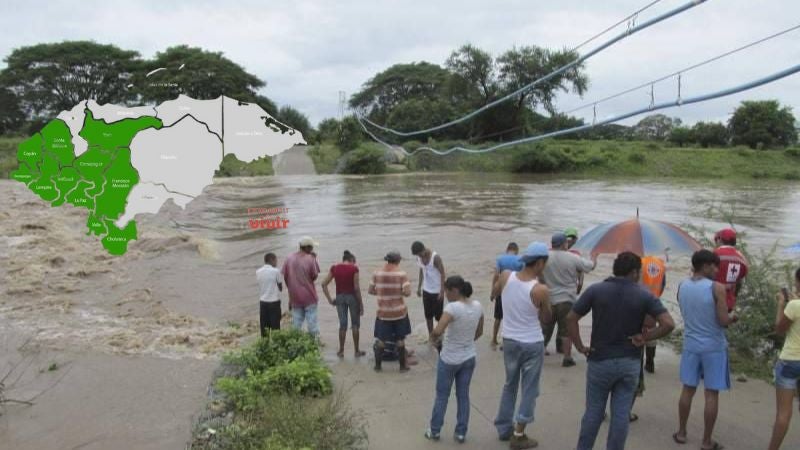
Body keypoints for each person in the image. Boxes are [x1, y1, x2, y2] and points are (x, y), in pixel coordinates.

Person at [567, 252, 675, 450]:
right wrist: (645, 338)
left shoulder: (596, 290)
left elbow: (571, 318)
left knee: (593, 413)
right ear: (634, 272)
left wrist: (580, 346)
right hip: (629, 363)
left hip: (600, 360)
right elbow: (667, 324)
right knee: (620, 415)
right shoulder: (645, 295)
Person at [673, 249, 737, 450]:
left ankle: (682, 433)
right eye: (715, 266)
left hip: (691, 344)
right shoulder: (716, 288)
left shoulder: (682, 285)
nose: (717, 270)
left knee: (687, 390)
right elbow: (723, 321)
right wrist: (734, 317)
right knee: (711, 394)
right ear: (706, 266)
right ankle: (706, 441)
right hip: (713, 347)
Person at [491, 242, 552, 450]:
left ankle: (503, 427)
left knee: (510, 384)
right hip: (531, 342)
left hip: (509, 339)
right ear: (541, 263)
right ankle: (519, 433)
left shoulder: (506, 275)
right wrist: (543, 293)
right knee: (529, 389)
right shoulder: (540, 289)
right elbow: (546, 318)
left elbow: (496, 292)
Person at [425, 276, 484, 444]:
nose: (445, 295)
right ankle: (460, 433)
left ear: (454, 290)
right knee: (463, 395)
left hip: (450, 359)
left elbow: (438, 330)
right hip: (469, 357)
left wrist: (433, 339)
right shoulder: (478, 306)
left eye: (446, 291)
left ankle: (434, 430)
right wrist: (465, 340)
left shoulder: (452, 308)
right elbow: (479, 332)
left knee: (442, 395)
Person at [540, 232, 596, 367]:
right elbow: (589, 266)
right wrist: (594, 257)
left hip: (549, 298)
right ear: (564, 244)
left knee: (546, 327)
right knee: (566, 330)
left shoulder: (544, 258)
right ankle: (567, 357)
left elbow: (538, 275)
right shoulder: (572, 257)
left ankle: (540, 352)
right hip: (567, 299)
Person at [767, 267, 800, 450]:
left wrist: (781, 304)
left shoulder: (794, 306)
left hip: (790, 361)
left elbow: (779, 329)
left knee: (784, 414)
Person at [369, 251, 413, 372]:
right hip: (399, 313)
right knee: (400, 339)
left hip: (383, 313)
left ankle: (378, 367)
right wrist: (398, 292)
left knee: (381, 340)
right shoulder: (401, 274)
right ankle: (402, 367)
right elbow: (408, 293)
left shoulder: (376, 273)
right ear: (398, 260)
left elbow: (371, 291)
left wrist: (383, 293)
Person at [322, 250, 365, 358]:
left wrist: (330, 299)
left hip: (340, 297)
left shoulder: (334, 268)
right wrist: (361, 304)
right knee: (355, 325)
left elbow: (323, 284)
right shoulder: (354, 269)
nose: (354, 264)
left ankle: (341, 351)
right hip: (352, 298)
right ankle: (356, 351)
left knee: (342, 325)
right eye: (354, 262)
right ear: (351, 260)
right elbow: (356, 288)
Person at [281, 236, 321, 337]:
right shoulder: (310, 259)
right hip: (309, 296)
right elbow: (314, 276)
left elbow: (286, 278)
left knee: (296, 325)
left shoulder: (289, 258)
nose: (312, 249)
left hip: (295, 297)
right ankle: (314, 345)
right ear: (307, 247)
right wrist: (315, 259)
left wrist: (290, 296)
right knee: (312, 325)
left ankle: (295, 344)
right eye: (311, 247)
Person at [491, 242, 523, 350]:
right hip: (516, 293)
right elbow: (524, 275)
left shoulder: (500, 259)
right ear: (517, 250)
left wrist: (493, 292)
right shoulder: (521, 259)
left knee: (498, 317)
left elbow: (496, 275)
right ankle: (513, 339)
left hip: (501, 291)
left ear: (507, 249)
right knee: (514, 317)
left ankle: (494, 339)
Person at [412, 241, 446, 339]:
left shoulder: (435, 258)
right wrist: (419, 287)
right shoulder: (419, 258)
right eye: (417, 255)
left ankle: (441, 335)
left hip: (437, 291)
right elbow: (421, 271)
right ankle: (431, 335)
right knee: (428, 315)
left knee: (439, 317)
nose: (419, 256)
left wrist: (442, 291)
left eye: (420, 254)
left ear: (423, 249)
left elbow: (443, 274)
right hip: (426, 290)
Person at [640, 255, 667, 373]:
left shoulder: (639, 262)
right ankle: (650, 362)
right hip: (654, 301)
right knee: (651, 329)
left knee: (638, 329)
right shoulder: (661, 265)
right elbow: (663, 284)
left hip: (638, 300)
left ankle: (639, 360)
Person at [713, 228, 749, 312]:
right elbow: (740, 282)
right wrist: (734, 297)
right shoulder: (742, 258)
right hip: (729, 303)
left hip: (714, 300)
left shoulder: (714, 254)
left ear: (720, 240)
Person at [257, 252, 284, 335]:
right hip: (274, 302)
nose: (276, 262)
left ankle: (265, 345)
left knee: (264, 328)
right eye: (276, 260)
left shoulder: (258, 271)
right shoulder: (276, 271)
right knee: (275, 327)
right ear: (271, 260)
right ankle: (275, 345)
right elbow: (280, 288)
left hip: (263, 302)